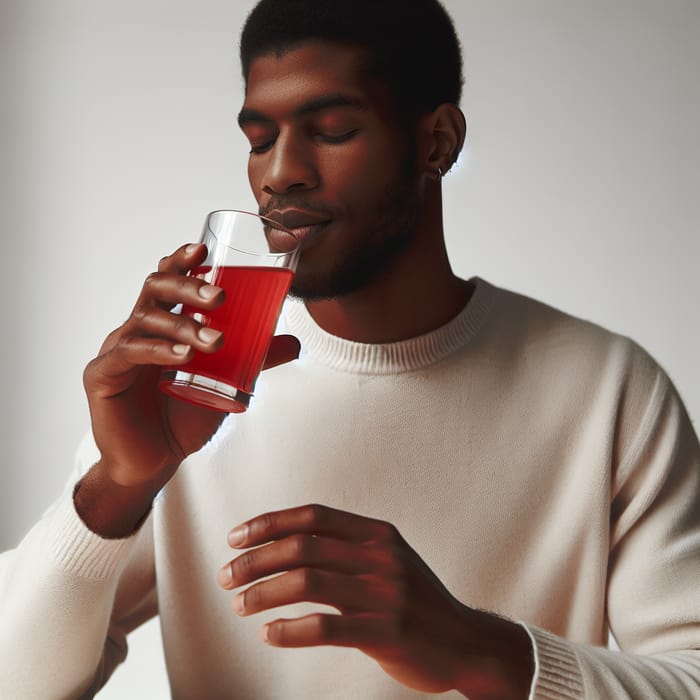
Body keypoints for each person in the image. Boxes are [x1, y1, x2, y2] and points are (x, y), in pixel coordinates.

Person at [1, 0, 699, 697]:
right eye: (258, 138)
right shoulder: (194, 381)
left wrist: (473, 648)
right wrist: (117, 486)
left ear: (438, 141)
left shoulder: (609, 388)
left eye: (332, 130)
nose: (281, 173)